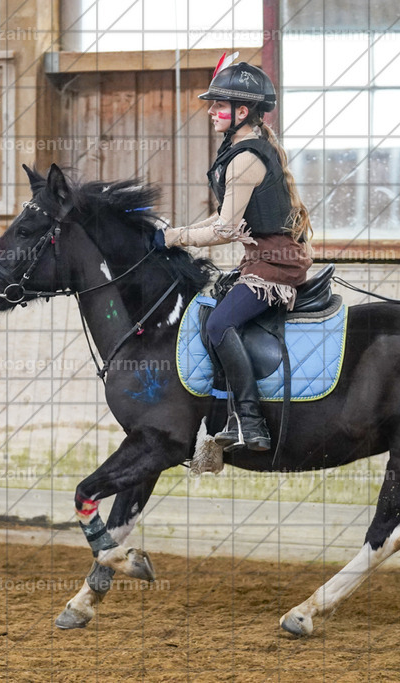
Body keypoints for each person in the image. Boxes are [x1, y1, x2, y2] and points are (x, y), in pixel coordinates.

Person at [156, 60, 313, 454]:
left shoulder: (244, 159)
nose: (210, 111)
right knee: (214, 313)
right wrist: (177, 232)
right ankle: (226, 416)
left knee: (219, 324)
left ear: (242, 112)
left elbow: (224, 230)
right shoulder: (243, 150)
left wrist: (173, 237)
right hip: (262, 259)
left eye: (218, 105)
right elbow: (226, 219)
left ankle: (252, 422)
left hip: (275, 267)